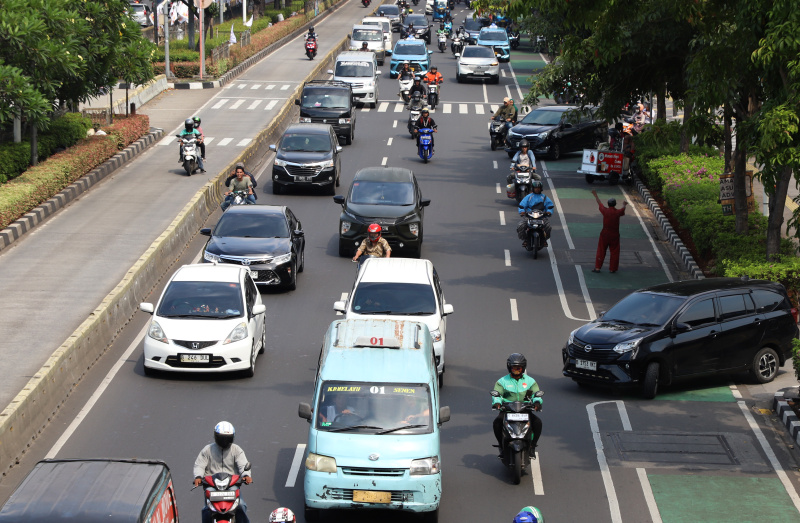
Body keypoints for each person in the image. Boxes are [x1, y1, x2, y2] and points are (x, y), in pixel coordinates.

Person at [193, 421, 252, 523]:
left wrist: (246, 475)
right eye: (222, 438)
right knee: (206, 509)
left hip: (232, 485)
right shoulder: (207, 450)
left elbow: (243, 465)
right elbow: (200, 465)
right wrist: (198, 477)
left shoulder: (237, 450)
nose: (225, 441)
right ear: (216, 437)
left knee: (241, 505)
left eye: (227, 438)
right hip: (212, 485)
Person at [492, 353, 542, 455]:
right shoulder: (502, 381)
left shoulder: (530, 381)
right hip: (507, 410)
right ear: (509, 368)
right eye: (514, 368)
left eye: (518, 368)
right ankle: (501, 446)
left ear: (523, 368)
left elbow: (536, 394)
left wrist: (537, 402)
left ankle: (532, 446)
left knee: (538, 423)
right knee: (496, 423)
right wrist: (497, 403)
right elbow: (497, 394)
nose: (516, 370)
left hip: (525, 409)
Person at [591, 190, 627, 273]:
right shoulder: (617, 212)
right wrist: (624, 204)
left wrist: (596, 195)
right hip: (615, 234)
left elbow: (599, 203)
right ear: (615, 204)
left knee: (601, 250)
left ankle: (597, 268)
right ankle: (612, 269)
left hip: (605, 233)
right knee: (614, 252)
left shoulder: (605, 211)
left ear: (608, 203)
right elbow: (623, 209)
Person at [517, 181, 554, 247]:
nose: (537, 189)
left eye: (538, 188)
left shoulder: (544, 197)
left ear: (541, 189)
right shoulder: (528, 197)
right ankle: (525, 239)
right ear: (533, 188)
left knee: (548, 227)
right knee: (520, 226)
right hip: (529, 216)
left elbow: (550, 206)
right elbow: (522, 205)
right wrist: (522, 211)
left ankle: (544, 240)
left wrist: (549, 211)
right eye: (536, 188)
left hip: (541, 217)